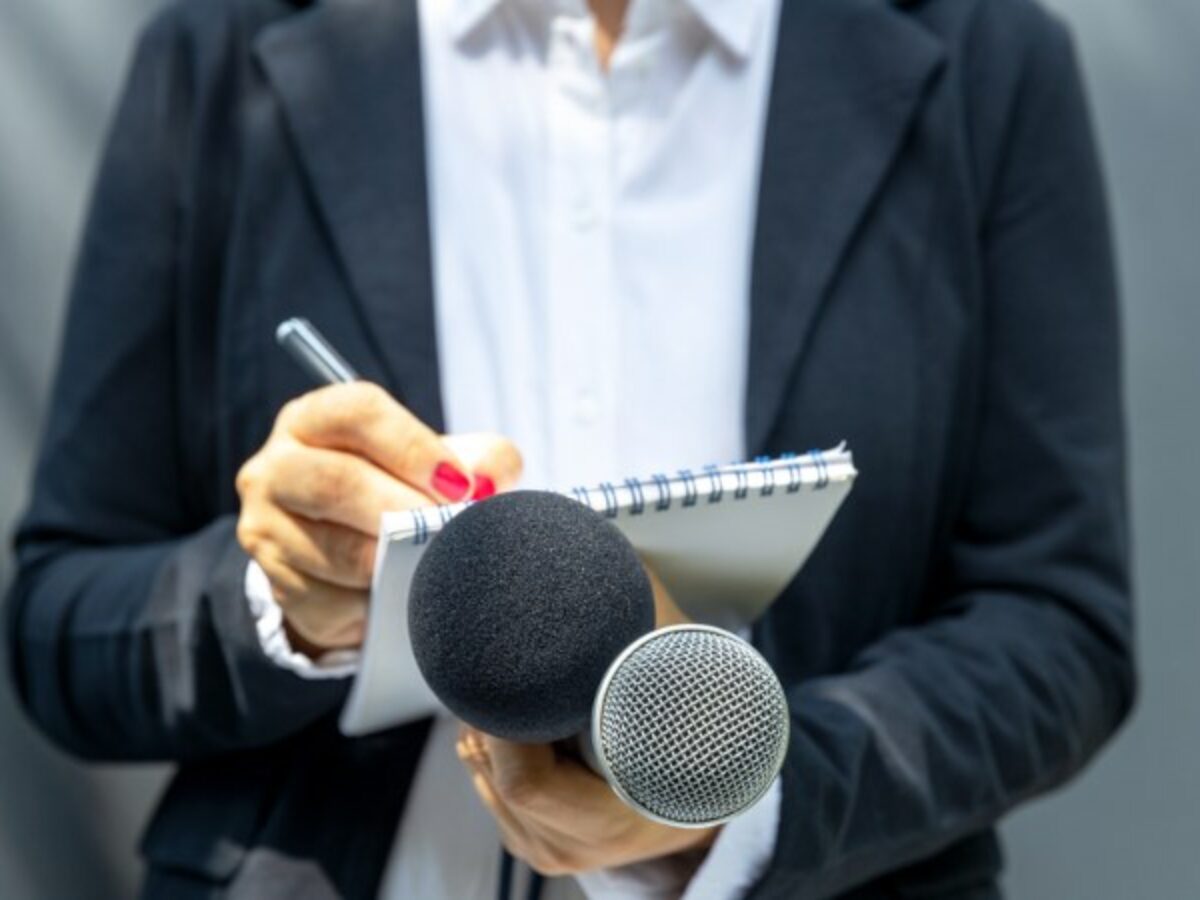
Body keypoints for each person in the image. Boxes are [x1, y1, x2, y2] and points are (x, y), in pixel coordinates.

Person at [5, 0, 1134, 897]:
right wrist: (286, 599)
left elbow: (1058, 624)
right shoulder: (221, 50)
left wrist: (741, 792)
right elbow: (62, 627)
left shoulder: (984, 60)